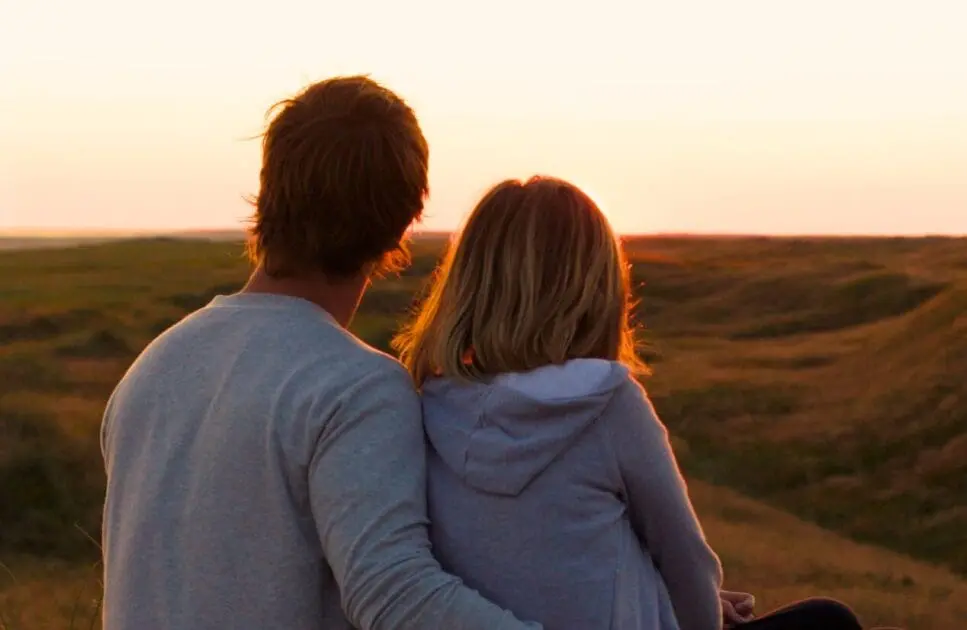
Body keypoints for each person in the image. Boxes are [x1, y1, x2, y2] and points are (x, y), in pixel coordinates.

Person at [100, 76, 541, 630]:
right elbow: (392, 592)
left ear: (269, 192)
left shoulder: (152, 369)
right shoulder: (357, 388)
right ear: (402, 224)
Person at [393, 176, 869, 630]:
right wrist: (697, 611)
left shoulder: (430, 403)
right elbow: (685, 558)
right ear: (592, 290)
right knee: (830, 619)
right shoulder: (601, 401)